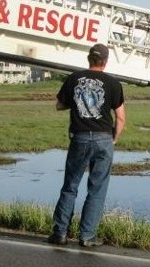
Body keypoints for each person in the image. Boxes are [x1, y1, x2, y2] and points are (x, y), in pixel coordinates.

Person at [47, 43, 126, 247]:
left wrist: (74, 104)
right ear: (105, 61)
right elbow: (121, 118)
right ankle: (87, 236)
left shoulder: (74, 78)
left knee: (70, 186)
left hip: (80, 138)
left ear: (89, 58)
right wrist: (114, 139)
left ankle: (60, 233)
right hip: (103, 138)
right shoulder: (114, 84)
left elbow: (59, 105)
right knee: (97, 189)